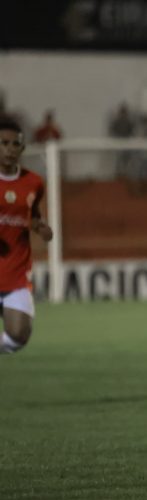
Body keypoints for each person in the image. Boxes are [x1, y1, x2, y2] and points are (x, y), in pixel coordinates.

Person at [0, 120, 53, 355]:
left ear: (22, 148)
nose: (10, 149)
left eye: (15, 144)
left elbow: (31, 215)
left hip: (16, 274)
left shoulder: (33, 183)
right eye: (4, 143)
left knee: (19, 335)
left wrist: (39, 227)